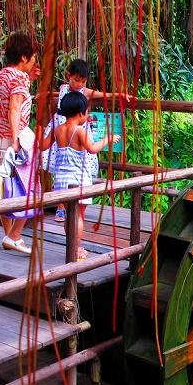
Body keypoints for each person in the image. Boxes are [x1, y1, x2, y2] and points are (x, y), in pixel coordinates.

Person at [42, 58, 131, 222]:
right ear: (68, 76)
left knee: (77, 167)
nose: (79, 84)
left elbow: (105, 95)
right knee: (60, 166)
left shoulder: (84, 91)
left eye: (82, 81)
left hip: (78, 129)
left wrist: (120, 95)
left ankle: (73, 205)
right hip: (61, 127)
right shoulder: (62, 89)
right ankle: (61, 207)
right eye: (76, 80)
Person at [0, 31, 41, 255]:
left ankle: (8, 236)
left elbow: (11, 101)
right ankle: (15, 235)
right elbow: (15, 108)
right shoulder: (19, 77)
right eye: (34, 57)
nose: (35, 62)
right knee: (29, 186)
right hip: (15, 136)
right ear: (25, 58)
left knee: (6, 188)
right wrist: (17, 138)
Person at [49, 91, 119, 260]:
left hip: (61, 179)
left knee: (68, 214)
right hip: (78, 179)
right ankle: (76, 248)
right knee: (79, 215)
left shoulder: (58, 129)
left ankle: (71, 246)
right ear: (81, 112)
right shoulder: (79, 131)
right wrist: (107, 139)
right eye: (86, 112)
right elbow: (92, 148)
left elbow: (44, 146)